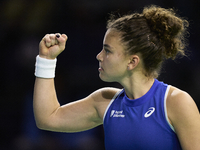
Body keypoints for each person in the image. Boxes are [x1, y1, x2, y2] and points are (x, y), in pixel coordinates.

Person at [33, 5, 200, 150]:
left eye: (108, 51)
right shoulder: (104, 101)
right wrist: (46, 60)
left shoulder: (176, 102)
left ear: (132, 61)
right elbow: (48, 118)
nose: (99, 56)